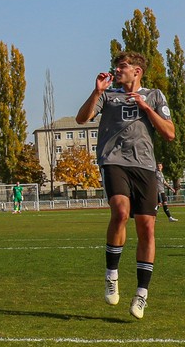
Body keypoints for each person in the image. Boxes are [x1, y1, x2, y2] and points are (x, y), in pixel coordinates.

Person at [74, 51, 175, 319]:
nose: (117, 71)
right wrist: (96, 92)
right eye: (117, 67)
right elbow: (81, 119)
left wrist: (146, 108)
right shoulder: (108, 96)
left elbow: (170, 133)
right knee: (119, 212)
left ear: (137, 71)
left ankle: (141, 294)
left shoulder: (154, 96)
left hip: (145, 166)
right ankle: (112, 274)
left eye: (122, 67)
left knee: (147, 228)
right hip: (114, 161)